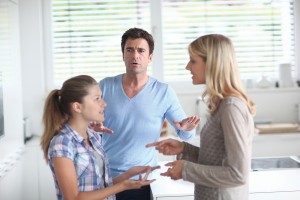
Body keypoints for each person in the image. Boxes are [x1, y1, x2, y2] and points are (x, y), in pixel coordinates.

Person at [147, 34, 256, 200]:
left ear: (212, 63)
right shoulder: (222, 104)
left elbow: (237, 174)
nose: (187, 67)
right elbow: (218, 159)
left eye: (193, 61)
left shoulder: (231, 108)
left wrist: (185, 169)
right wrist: (185, 149)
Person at [95, 27, 200, 200]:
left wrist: (187, 128)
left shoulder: (163, 91)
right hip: (107, 177)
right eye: (129, 50)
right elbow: (86, 124)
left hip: (142, 179)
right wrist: (91, 127)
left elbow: (186, 135)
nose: (135, 55)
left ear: (150, 57)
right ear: (123, 55)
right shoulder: (105, 86)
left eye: (141, 50)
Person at [40, 75, 160, 200]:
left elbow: (100, 186)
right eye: (97, 99)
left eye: (101, 97)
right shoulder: (62, 143)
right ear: (77, 107)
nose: (104, 104)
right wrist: (123, 186)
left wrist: (128, 175)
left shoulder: (93, 137)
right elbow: (73, 197)